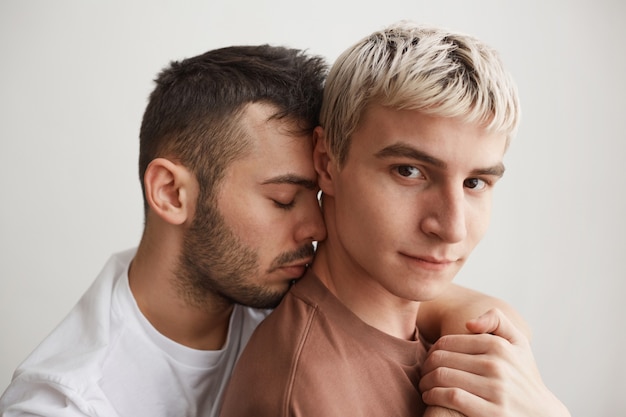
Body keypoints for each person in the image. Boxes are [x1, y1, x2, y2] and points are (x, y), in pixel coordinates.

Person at [1, 43, 536, 417]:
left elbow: (464, 307)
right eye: (282, 200)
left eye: (315, 192)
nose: (317, 224)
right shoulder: (65, 404)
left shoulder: (262, 283)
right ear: (171, 193)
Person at [218, 23, 571, 417]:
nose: (451, 228)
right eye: (408, 171)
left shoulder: (442, 333)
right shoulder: (303, 395)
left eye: (475, 182)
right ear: (327, 161)